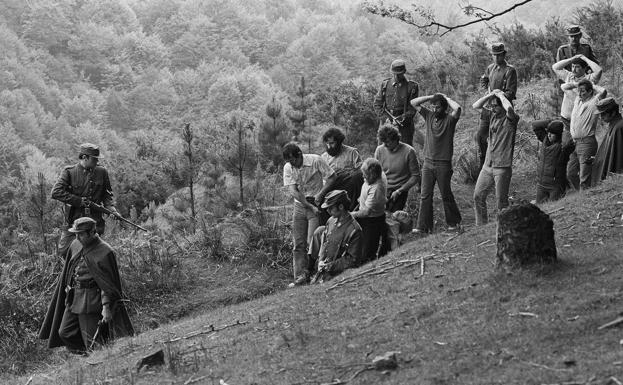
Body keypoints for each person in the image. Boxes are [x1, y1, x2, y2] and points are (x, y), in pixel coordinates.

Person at [39, 217, 133, 354]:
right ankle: (86, 356)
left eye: (81, 233)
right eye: (75, 233)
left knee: (92, 341)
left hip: (91, 301)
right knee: (64, 332)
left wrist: (106, 307)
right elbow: (68, 267)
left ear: (92, 232)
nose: (77, 237)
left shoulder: (105, 251)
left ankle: (98, 361)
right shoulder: (76, 244)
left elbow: (107, 285)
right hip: (73, 297)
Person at [282, 142, 337, 287]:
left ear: (299, 154)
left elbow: (332, 177)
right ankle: (299, 277)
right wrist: (309, 206)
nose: (291, 165)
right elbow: (293, 191)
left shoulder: (315, 160)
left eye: (293, 160)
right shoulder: (288, 167)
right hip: (300, 206)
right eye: (289, 162)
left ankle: (315, 273)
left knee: (312, 241)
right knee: (298, 244)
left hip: (316, 203)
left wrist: (320, 194)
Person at [51, 143, 120, 258]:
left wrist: (111, 209)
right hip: (73, 223)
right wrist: (79, 201)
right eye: (94, 159)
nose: (97, 162)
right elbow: (56, 192)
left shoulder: (102, 172)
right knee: (63, 253)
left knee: (93, 255)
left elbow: (107, 195)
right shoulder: (69, 172)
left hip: (94, 224)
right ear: (84, 157)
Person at [410, 93, 463, 234]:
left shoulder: (450, 120)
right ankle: (423, 227)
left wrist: (447, 98)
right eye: (433, 107)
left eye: (438, 107)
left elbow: (457, 108)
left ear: (444, 107)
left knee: (446, 194)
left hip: (443, 164)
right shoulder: (429, 115)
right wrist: (432, 96)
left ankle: (454, 223)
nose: (434, 109)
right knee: (425, 195)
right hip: (428, 163)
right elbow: (413, 102)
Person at [472, 90, 519, 225]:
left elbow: (509, 108)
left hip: (502, 166)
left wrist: (501, 96)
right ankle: (481, 226)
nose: (492, 108)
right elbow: (476, 106)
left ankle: (504, 227)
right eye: (491, 106)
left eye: (495, 106)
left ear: (502, 106)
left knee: (501, 201)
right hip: (488, 165)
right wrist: (491, 95)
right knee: (478, 196)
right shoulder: (492, 115)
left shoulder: (511, 119)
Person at [475, 43, 517, 169]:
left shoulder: (510, 70)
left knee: (500, 139)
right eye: (494, 55)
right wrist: (486, 91)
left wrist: (497, 95)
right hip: (488, 109)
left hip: (502, 109)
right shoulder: (490, 68)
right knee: (480, 136)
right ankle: (484, 166)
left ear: (504, 54)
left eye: (499, 55)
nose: (496, 58)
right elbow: (484, 79)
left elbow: (511, 92)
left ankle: (499, 167)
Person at [309, 190, 362, 283]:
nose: (327, 211)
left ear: (341, 206)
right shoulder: (331, 220)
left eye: (330, 208)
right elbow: (324, 243)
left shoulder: (354, 230)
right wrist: (321, 262)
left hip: (340, 276)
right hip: (324, 271)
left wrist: (330, 266)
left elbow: (352, 260)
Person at [563, 78, 606, 190]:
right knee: (571, 173)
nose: (580, 93)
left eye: (583, 91)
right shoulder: (577, 100)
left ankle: (586, 196)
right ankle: (583, 194)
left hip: (587, 143)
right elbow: (564, 87)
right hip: (574, 143)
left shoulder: (594, 102)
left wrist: (592, 84)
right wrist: (577, 84)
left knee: (584, 176)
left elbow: (603, 91)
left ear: (590, 92)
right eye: (579, 91)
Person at [552, 54, 602, 146]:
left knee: (580, 145)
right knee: (566, 145)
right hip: (566, 119)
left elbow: (599, 70)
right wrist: (571, 59)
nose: (574, 69)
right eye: (573, 66)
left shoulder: (589, 79)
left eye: (577, 67)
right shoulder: (569, 76)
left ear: (584, 68)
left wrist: (585, 58)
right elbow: (555, 67)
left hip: (581, 120)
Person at [374, 124, 421, 213]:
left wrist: (400, 190)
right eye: (383, 142)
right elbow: (375, 172)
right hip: (382, 187)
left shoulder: (409, 151)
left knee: (394, 217)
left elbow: (416, 176)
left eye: (388, 142)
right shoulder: (379, 150)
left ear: (396, 139)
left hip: (399, 189)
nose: (385, 145)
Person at [373, 59, 419, 147]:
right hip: (386, 124)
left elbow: (412, 109)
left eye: (399, 74)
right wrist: (385, 118)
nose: (397, 76)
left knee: (405, 151)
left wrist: (400, 119)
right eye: (395, 74)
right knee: (382, 150)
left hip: (404, 127)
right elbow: (377, 104)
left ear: (404, 72)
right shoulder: (385, 84)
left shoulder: (412, 87)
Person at [351, 158, 387, 265]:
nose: (363, 176)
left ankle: (367, 266)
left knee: (367, 250)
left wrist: (352, 215)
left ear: (373, 175)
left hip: (372, 221)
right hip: (364, 216)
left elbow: (366, 212)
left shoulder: (376, 188)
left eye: (365, 174)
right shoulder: (369, 180)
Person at [320, 127, 364, 211]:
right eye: (327, 144)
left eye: (332, 143)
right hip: (332, 188)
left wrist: (347, 173)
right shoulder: (324, 157)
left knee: (357, 177)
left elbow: (361, 172)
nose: (329, 147)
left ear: (339, 142)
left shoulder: (352, 152)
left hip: (350, 188)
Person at [531, 120, 576, 203]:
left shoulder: (563, 148)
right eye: (548, 132)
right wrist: (552, 122)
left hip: (555, 187)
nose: (549, 135)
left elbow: (568, 143)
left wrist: (563, 129)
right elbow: (535, 125)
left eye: (552, 133)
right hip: (541, 185)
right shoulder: (545, 139)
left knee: (554, 210)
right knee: (539, 210)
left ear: (559, 135)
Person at [591, 97, 623, 185]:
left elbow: (618, 156)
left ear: (613, 113)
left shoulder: (619, 127)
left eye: (603, 114)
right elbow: (610, 151)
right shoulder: (612, 125)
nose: (601, 117)